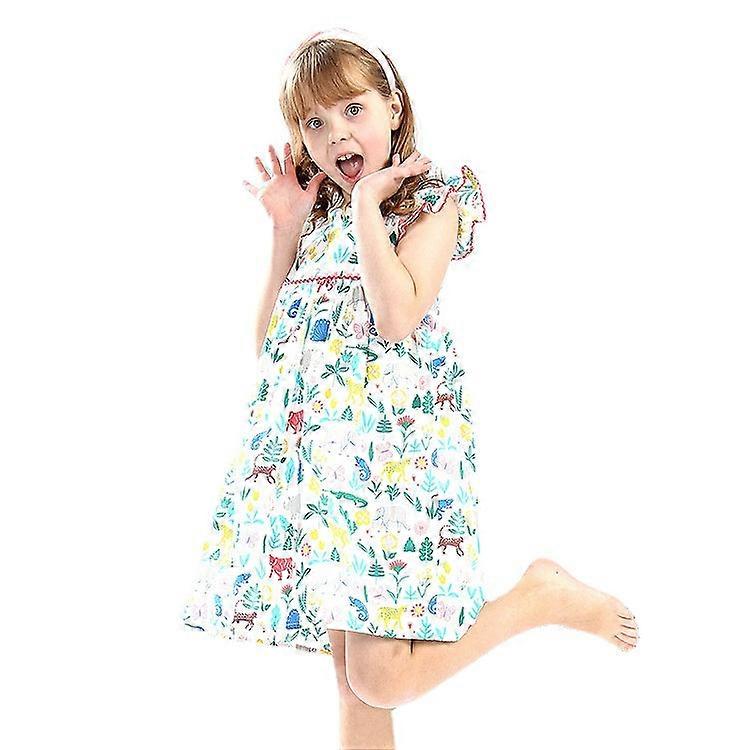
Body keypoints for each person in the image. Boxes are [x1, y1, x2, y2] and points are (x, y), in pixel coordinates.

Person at [180, 26, 638, 748]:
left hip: (394, 454)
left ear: (392, 106)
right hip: (322, 465)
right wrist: (286, 230)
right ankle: (537, 598)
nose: (336, 134)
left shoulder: (431, 199)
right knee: (352, 682)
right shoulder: (319, 216)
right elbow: (272, 347)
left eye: (352, 109)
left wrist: (368, 205)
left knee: (381, 677)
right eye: (315, 123)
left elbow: (397, 317)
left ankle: (537, 598)